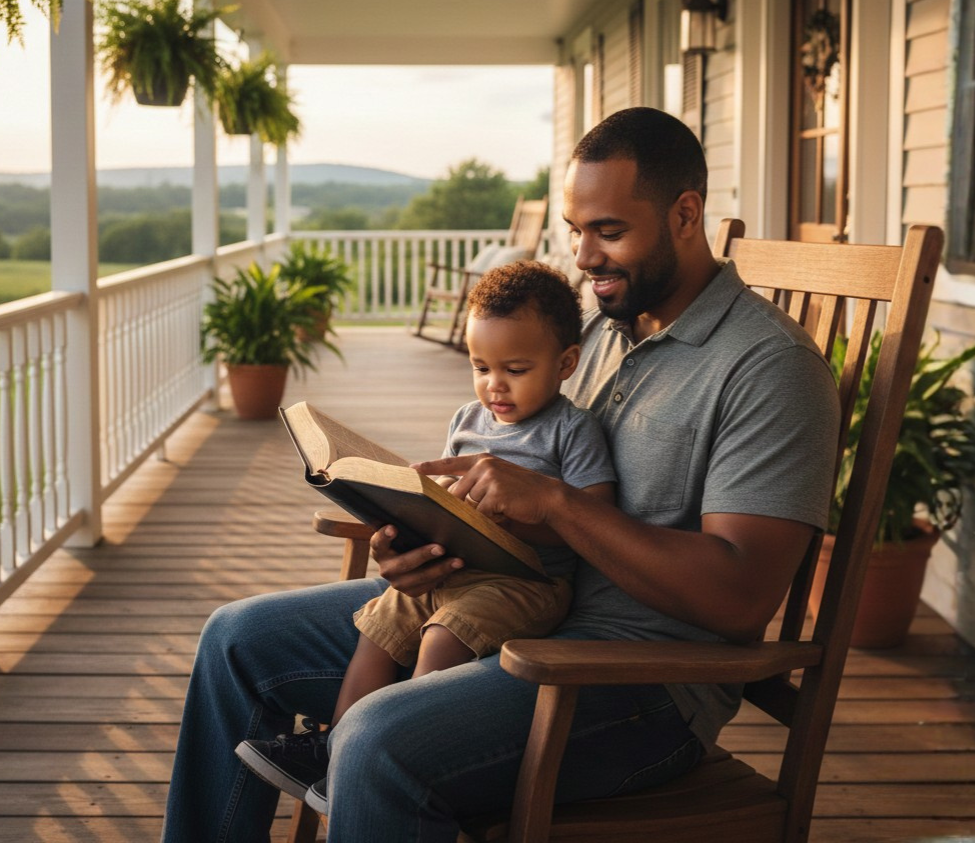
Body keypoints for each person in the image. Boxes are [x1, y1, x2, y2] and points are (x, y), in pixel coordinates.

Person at [161, 106, 841, 843]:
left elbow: (740, 597)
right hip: (508, 600)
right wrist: (423, 535)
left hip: (635, 684)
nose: (584, 257)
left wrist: (553, 504)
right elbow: (526, 471)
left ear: (685, 215)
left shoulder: (771, 370)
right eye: (576, 231)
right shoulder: (595, 330)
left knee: (375, 741)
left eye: (608, 232)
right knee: (236, 639)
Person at [233, 260, 617, 806]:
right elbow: (443, 501)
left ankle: (401, 744)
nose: (494, 385)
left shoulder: (570, 430)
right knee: (380, 621)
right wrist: (405, 520)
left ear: (565, 364)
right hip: (455, 570)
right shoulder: (467, 419)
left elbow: (591, 522)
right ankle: (336, 750)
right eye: (480, 367)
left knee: (444, 633)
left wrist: (524, 518)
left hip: (527, 584)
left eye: (516, 368)